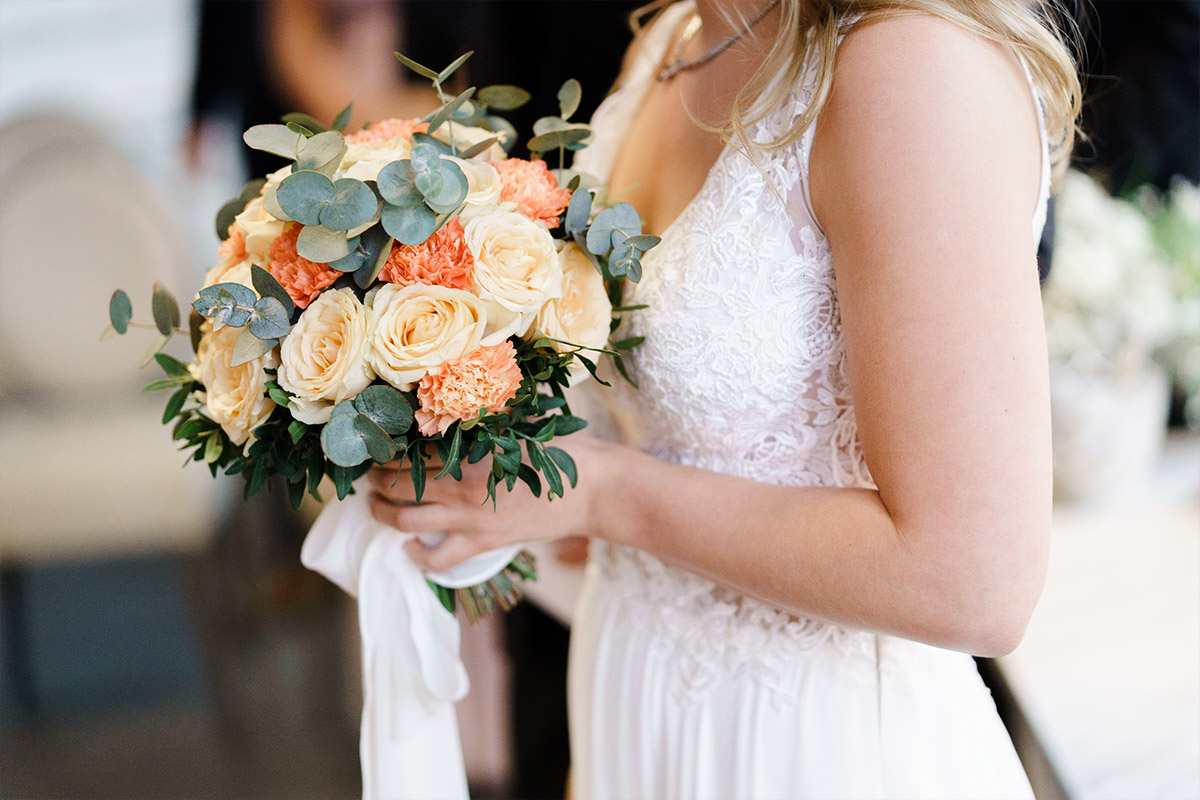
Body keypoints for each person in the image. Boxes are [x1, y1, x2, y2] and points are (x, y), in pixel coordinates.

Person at [367, 0, 1081, 796]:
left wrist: (599, 494)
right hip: (638, 710)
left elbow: (973, 577)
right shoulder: (673, 41)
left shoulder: (914, 68)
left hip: (815, 750)